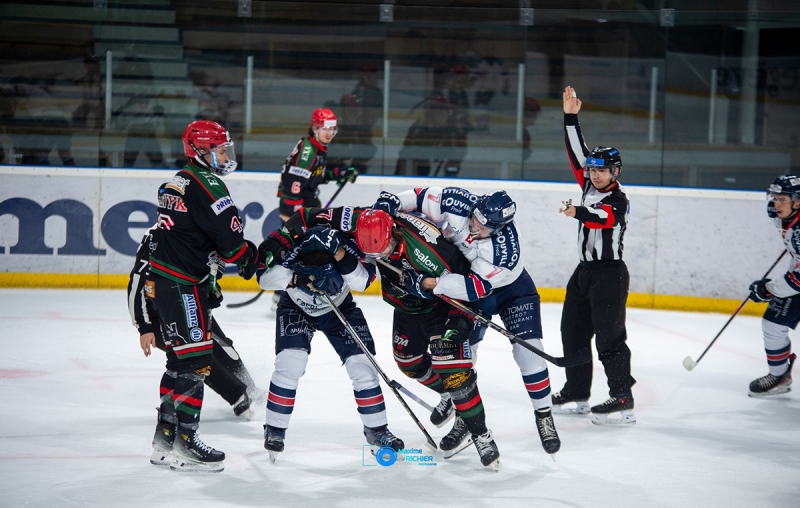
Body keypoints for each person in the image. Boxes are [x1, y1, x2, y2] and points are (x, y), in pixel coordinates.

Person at [273, 206, 501, 470]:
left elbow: (470, 287)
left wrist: (461, 320)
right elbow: (316, 215)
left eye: (384, 250)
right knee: (409, 362)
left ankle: (481, 434)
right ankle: (451, 398)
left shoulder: (428, 251)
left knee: (453, 370)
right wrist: (284, 236)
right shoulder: (364, 223)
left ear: (393, 234)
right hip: (406, 308)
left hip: (440, 308)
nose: (379, 257)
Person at [372, 187, 561, 457]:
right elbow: (419, 196)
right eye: (475, 218)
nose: (476, 226)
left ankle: (543, 414)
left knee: (528, 351)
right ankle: (463, 416)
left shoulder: (505, 250)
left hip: (508, 290)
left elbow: (475, 287)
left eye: (485, 226)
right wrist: (392, 202)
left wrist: (428, 283)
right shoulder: (457, 201)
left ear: (500, 227)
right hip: (464, 284)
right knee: (462, 354)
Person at [144, 120, 260, 472]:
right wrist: (252, 258)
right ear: (200, 150)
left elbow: (193, 233)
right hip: (183, 285)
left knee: (177, 362)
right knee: (196, 364)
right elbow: (232, 244)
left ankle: (164, 440)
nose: (226, 157)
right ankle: (186, 443)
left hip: (164, 282)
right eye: (220, 150)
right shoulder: (208, 184)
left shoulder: (175, 181)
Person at [255, 225, 403, 462]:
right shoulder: (292, 246)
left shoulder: (350, 245)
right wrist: (299, 277)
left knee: (363, 366)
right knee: (290, 364)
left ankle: (376, 429)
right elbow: (263, 277)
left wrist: (341, 259)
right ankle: (275, 428)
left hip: (340, 308)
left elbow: (363, 282)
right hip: (296, 307)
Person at [127, 228, 267, 447]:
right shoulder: (158, 236)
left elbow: (212, 265)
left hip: (188, 301)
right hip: (159, 312)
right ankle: (238, 397)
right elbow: (136, 282)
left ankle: (250, 388)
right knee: (196, 357)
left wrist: (211, 290)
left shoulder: (201, 230)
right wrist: (144, 327)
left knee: (223, 346)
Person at [555, 85, 635, 426]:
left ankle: (622, 396)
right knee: (572, 332)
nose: (594, 174)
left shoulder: (618, 200)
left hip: (609, 276)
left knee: (609, 338)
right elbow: (577, 153)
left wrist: (578, 212)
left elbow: (604, 218)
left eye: (602, 170)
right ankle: (577, 390)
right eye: (592, 170)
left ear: (616, 172)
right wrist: (570, 117)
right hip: (584, 273)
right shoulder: (588, 184)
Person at [272, 108, 358, 310]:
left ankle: (289, 293)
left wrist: (339, 173)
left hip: (306, 209)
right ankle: (283, 295)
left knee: (305, 249)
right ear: (315, 128)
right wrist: (299, 217)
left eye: (332, 129)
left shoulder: (316, 147)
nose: (329, 133)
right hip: (298, 211)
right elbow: (293, 185)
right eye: (324, 128)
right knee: (297, 250)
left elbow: (315, 175)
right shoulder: (308, 152)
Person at [746, 175, 799, 396]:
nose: (776, 204)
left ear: (798, 201)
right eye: (775, 198)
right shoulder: (779, 211)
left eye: (782, 199)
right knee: (773, 323)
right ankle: (779, 376)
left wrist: (768, 289)